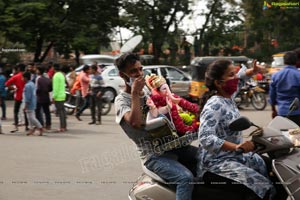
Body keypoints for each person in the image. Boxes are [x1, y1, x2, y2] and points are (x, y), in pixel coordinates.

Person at [114, 53, 198, 200]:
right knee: (185, 178)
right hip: (154, 156)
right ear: (122, 75)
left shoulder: (146, 91)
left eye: (141, 69)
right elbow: (135, 123)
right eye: (133, 71)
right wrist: (134, 93)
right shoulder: (121, 101)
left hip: (173, 145)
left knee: (209, 157)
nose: (139, 74)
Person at [198, 59, 276, 200]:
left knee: (269, 167)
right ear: (218, 83)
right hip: (216, 162)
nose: (235, 78)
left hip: (234, 156)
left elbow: (240, 80)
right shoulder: (215, 105)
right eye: (231, 75)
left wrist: (251, 72)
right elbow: (205, 138)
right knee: (263, 186)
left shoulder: (227, 97)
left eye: (235, 74)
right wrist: (236, 147)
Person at [269, 51, 300, 126]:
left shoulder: (275, 75)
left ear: (284, 61)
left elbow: (272, 95)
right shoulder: (298, 75)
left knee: (284, 135)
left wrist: (273, 110)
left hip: (282, 112)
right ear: (296, 61)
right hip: (297, 113)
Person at [5, 63, 28, 132]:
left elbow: (6, 84)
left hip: (18, 96)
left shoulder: (16, 76)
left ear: (18, 69)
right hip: (26, 96)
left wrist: (12, 88)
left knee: (16, 111)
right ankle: (27, 126)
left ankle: (16, 126)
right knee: (26, 111)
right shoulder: (27, 76)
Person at [22, 71, 43, 136]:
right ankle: (31, 129)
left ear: (25, 78)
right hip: (33, 102)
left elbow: (28, 97)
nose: (22, 79)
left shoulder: (27, 85)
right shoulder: (32, 84)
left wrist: (25, 105)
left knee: (32, 118)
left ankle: (40, 127)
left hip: (29, 104)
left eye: (22, 77)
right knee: (29, 117)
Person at [35, 66, 52, 130]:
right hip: (46, 97)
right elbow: (50, 88)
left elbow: (37, 88)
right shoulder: (47, 79)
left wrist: (36, 94)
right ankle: (48, 125)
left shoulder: (38, 79)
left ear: (39, 71)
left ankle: (39, 124)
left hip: (39, 97)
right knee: (47, 111)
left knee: (37, 111)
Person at [52, 63, 67, 132]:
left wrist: (53, 97)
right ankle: (64, 126)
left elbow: (55, 88)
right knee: (63, 112)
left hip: (58, 96)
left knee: (60, 112)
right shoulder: (61, 75)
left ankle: (62, 127)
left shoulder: (55, 76)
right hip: (62, 95)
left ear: (54, 68)